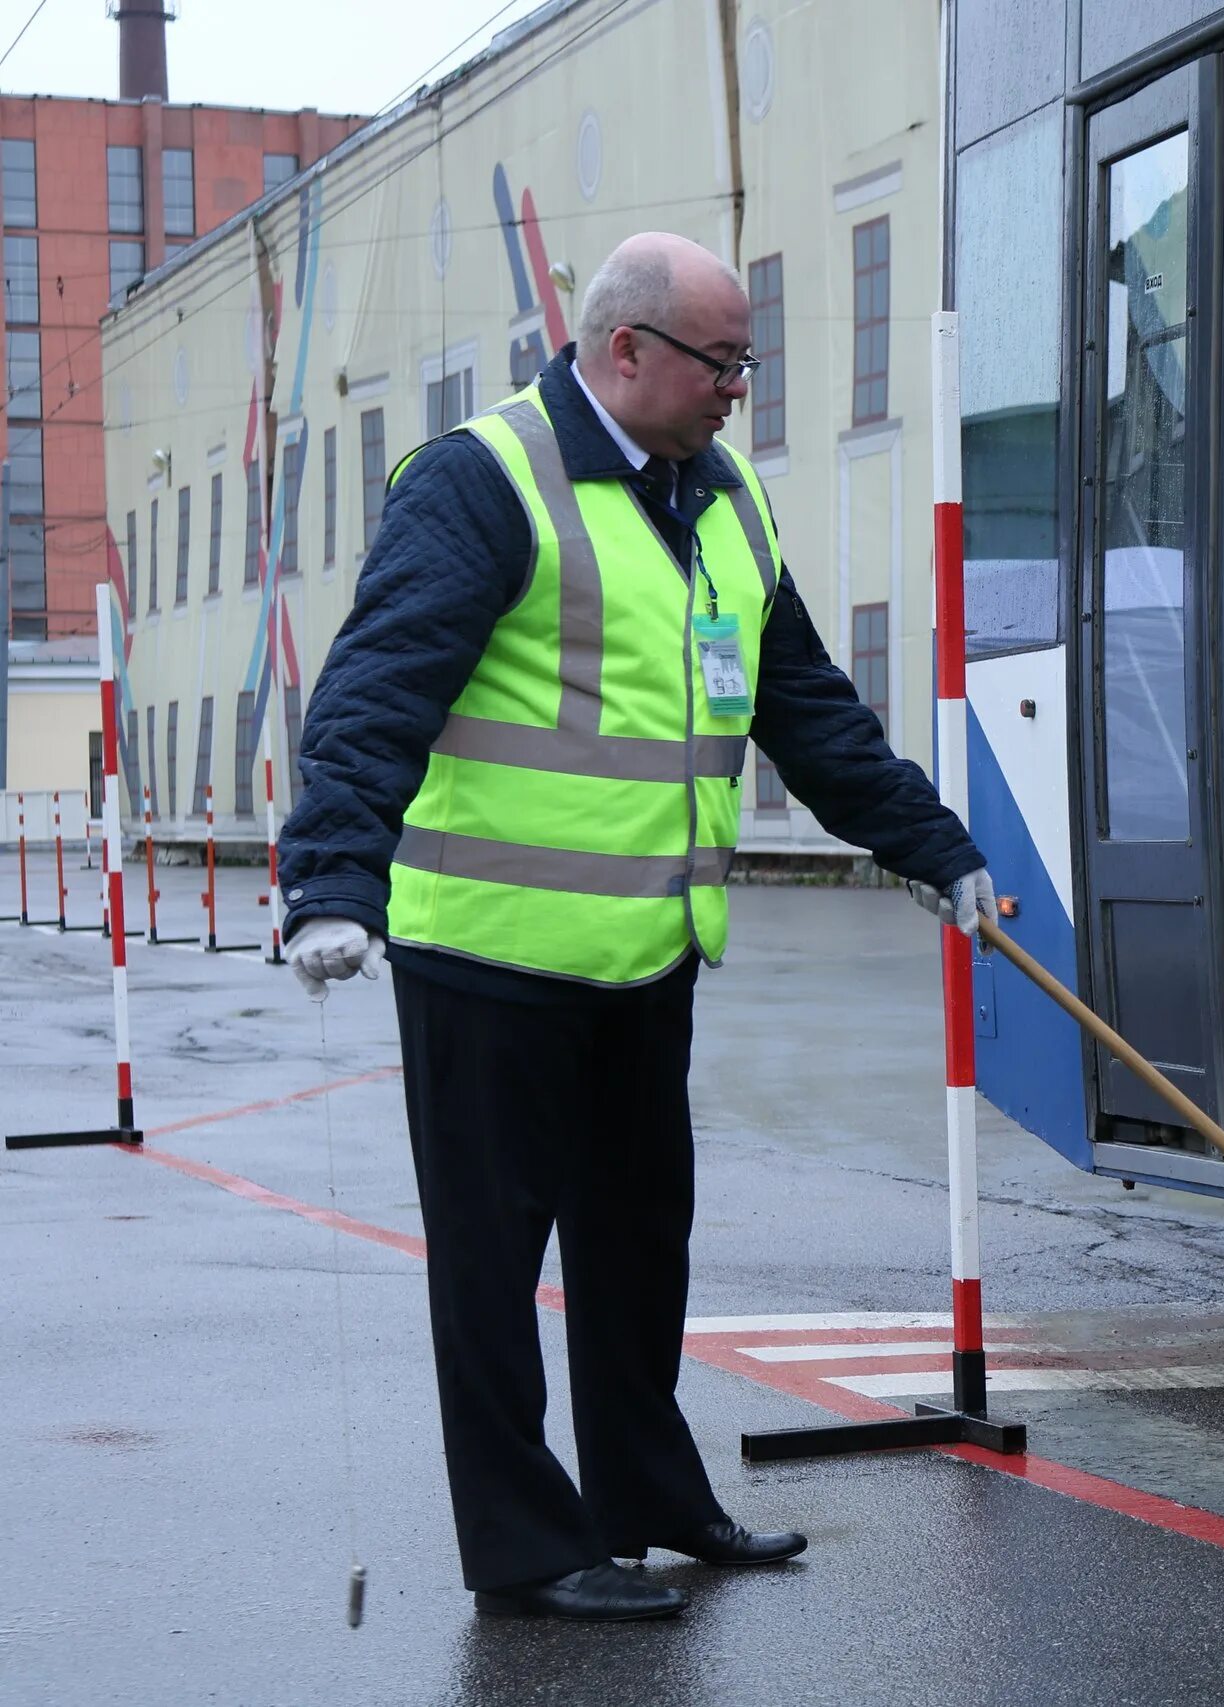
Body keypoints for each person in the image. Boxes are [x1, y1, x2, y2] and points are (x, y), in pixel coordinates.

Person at [276, 232, 993, 1622]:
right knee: (493, 1276)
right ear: (626, 352)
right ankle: (530, 1548)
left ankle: (648, 1497)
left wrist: (931, 846)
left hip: (644, 957)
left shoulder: (728, 505)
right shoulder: (487, 482)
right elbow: (376, 690)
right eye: (724, 361)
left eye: (747, 361)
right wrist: (330, 882)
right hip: (485, 957)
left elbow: (806, 708)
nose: (741, 387)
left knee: (635, 1247)